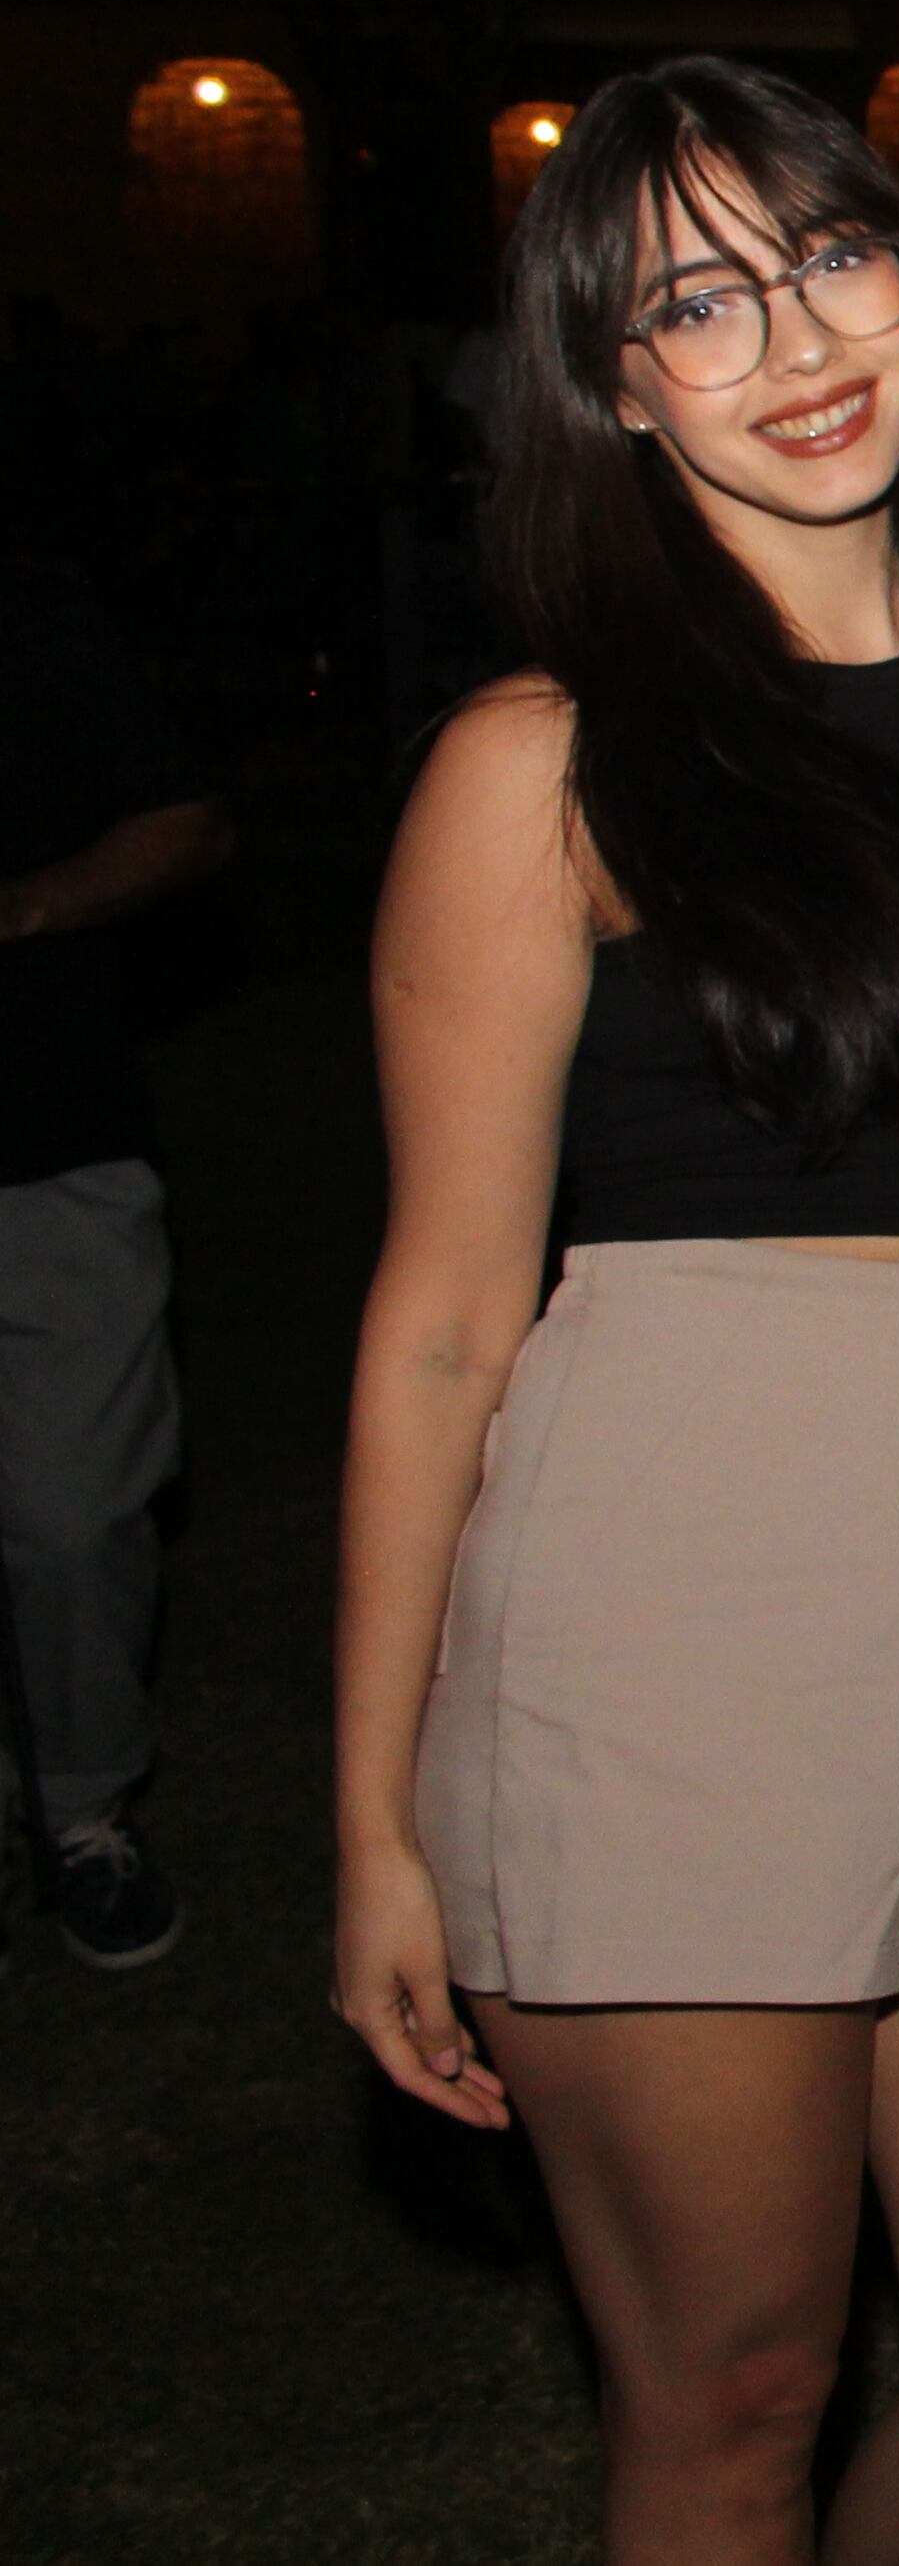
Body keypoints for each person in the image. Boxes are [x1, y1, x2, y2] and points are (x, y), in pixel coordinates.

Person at [332, 57, 899, 2561]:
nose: (797, 340)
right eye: (697, 307)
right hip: (663, 1616)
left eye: (835, 259)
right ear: (615, 386)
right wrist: (374, 1817)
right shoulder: (539, 766)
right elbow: (429, 1329)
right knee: (730, 2391)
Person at [0, 553, 230, 1972]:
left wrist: (24, 908)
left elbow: (185, 825)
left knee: (76, 1512)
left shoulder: (36, 623)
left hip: (45, 1141)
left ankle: (80, 1809)